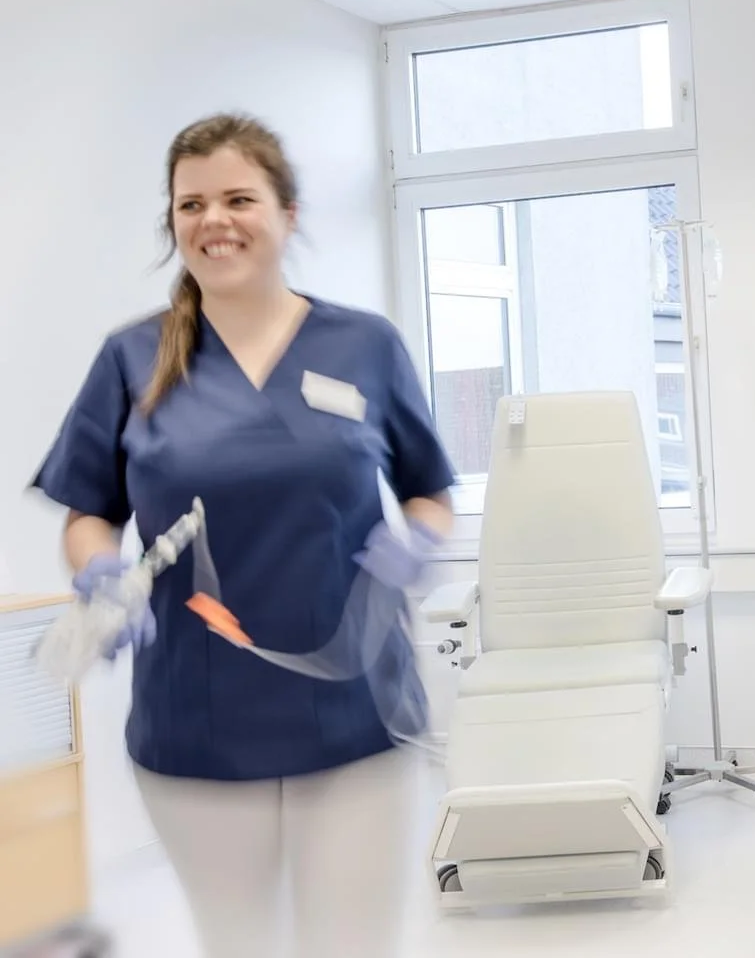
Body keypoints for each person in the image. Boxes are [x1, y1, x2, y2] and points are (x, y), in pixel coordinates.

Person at [29, 113, 456, 958]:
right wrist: (99, 570)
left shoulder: (364, 345)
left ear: (287, 213)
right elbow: (88, 513)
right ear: (173, 223)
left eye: (237, 198)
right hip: (197, 719)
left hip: (356, 712)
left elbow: (430, 491)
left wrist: (419, 543)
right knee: (241, 945)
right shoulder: (133, 358)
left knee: (351, 944)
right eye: (191, 204)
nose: (213, 220)